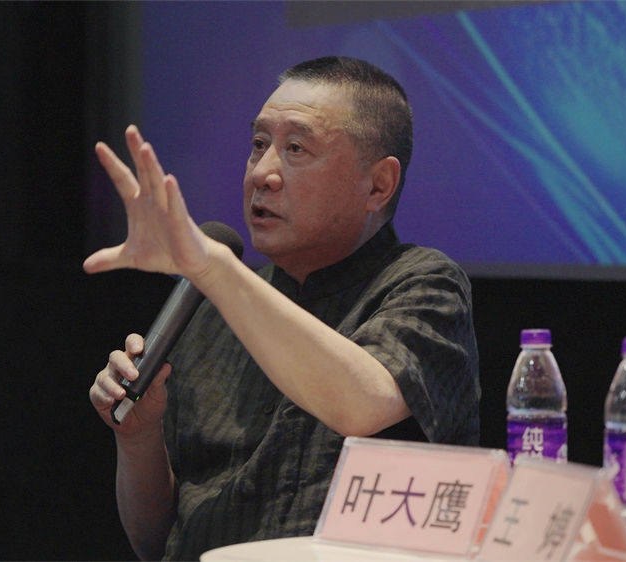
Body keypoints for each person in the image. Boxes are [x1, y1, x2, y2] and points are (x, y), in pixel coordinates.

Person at [86, 56, 480, 561]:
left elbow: (362, 403)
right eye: (258, 145)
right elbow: (156, 542)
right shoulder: (209, 310)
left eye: (296, 148)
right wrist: (138, 437)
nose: (263, 173)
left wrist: (213, 268)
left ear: (378, 185)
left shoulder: (425, 285)